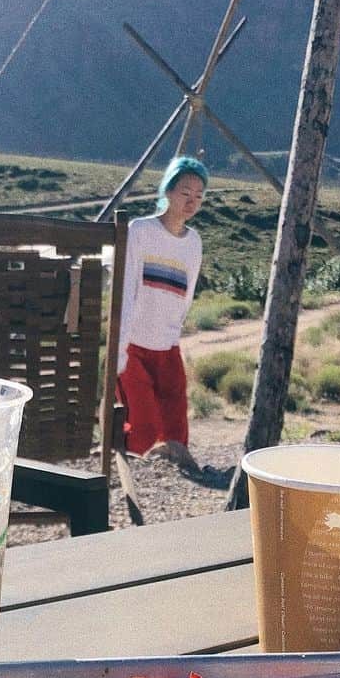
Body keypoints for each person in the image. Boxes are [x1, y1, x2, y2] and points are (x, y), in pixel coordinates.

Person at [116, 155, 208, 465]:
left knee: (176, 430)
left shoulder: (194, 242)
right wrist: (120, 347)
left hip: (167, 347)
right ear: (167, 191)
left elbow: (187, 294)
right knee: (142, 427)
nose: (191, 201)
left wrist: (173, 335)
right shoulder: (140, 231)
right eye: (185, 192)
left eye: (198, 195)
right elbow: (126, 287)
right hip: (134, 345)